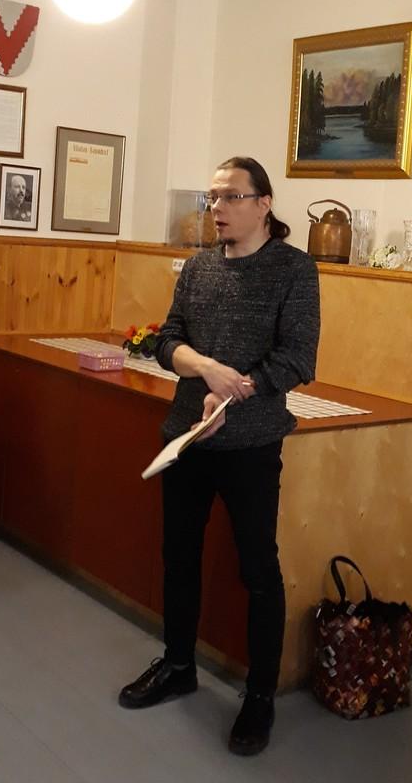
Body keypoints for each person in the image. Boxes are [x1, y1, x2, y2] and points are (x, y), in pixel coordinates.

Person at [118, 157, 320, 756]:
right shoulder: (200, 266)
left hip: (251, 445)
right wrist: (205, 367)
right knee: (178, 557)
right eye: (212, 198)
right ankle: (179, 665)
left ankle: (259, 697)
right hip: (186, 437)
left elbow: (298, 358)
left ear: (264, 203)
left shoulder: (294, 269)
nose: (217, 209)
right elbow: (166, 341)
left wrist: (236, 389)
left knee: (258, 570)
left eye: (230, 197)